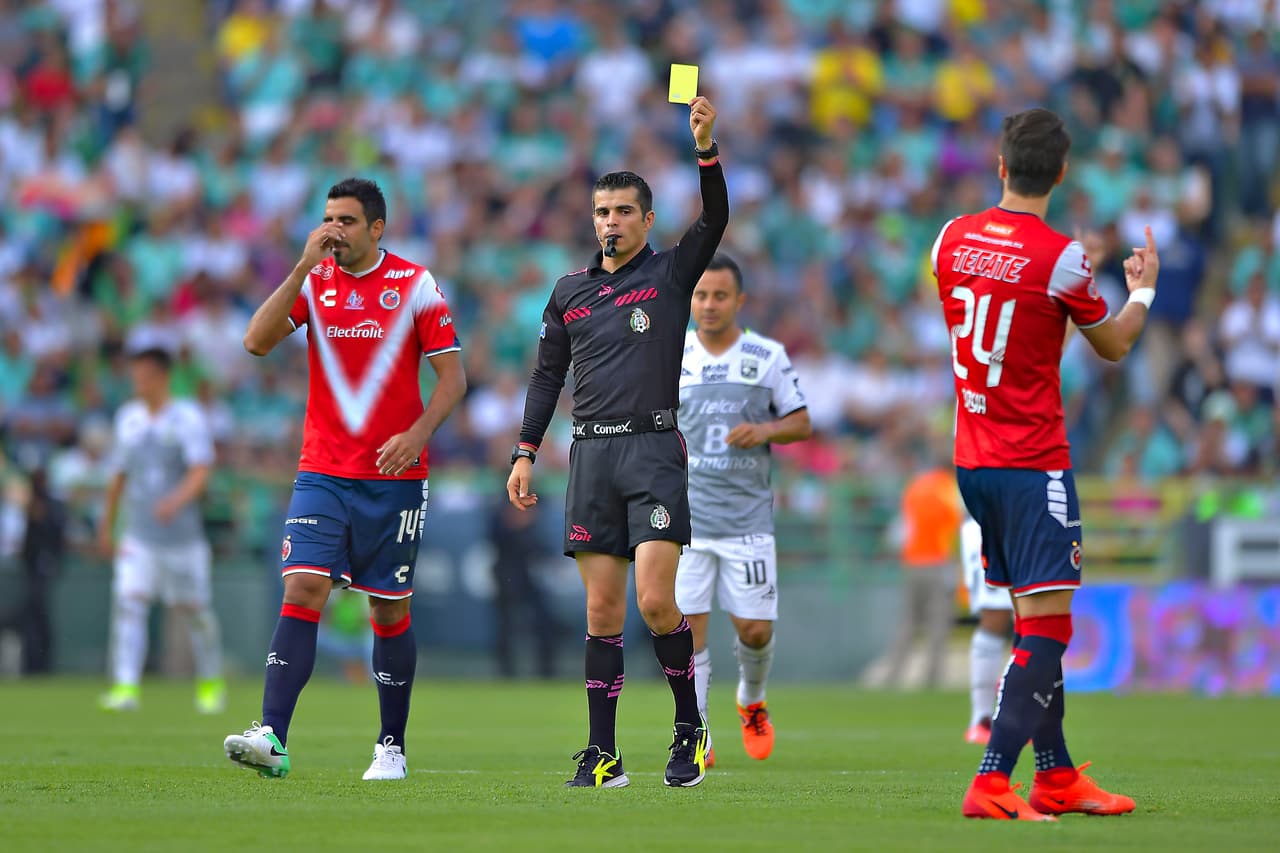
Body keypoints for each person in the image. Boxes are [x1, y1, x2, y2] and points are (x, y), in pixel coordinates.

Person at [933, 108, 1156, 820]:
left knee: (1033, 620)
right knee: (1051, 628)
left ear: (1000, 166)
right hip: (1033, 461)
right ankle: (993, 776)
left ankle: (1055, 776)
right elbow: (1114, 345)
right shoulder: (1061, 256)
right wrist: (1143, 287)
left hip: (974, 458)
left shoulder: (950, 239)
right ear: (1061, 172)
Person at [506, 96, 727, 789]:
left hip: (654, 451)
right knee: (602, 611)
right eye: (603, 211)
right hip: (591, 455)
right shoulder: (569, 291)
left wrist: (705, 148)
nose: (611, 221)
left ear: (647, 219)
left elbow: (715, 218)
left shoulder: (668, 274)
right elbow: (547, 376)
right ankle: (604, 755)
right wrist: (524, 449)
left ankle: (688, 729)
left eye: (624, 211)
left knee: (658, 603)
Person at [222, 178, 466, 781]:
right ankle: (273, 736)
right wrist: (302, 265)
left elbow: (454, 380)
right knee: (303, 587)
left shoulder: (415, 285)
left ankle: (391, 746)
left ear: (377, 228)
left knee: (387, 611)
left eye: (348, 221)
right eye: (328, 218)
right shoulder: (316, 281)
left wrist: (417, 435)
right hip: (322, 470)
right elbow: (255, 341)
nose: (335, 230)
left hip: (395, 476)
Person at [675, 253, 810, 766]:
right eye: (701, 295)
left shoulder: (765, 355)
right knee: (688, 632)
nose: (708, 305)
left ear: (739, 301)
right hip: (687, 520)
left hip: (747, 520)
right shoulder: (673, 355)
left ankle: (751, 700)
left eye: (719, 296)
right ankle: (697, 728)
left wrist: (767, 429)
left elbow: (801, 422)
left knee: (755, 630)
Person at [97, 347, 224, 713]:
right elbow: (118, 475)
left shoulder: (187, 418)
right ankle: (125, 686)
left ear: (163, 377)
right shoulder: (128, 419)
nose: (138, 381)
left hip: (183, 539)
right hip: (140, 535)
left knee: (196, 611)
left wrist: (175, 501)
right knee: (130, 602)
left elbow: (201, 470)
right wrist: (108, 525)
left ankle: (210, 683)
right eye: (135, 374)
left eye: (145, 374)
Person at [885, 461, 962, 689]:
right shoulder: (947, 488)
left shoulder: (915, 487)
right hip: (937, 561)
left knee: (909, 622)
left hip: (911, 561)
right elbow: (957, 523)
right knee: (938, 622)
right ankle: (932, 678)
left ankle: (894, 675)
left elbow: (902, 526)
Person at [960, 516, 1013, 744]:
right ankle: (981, 719)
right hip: (990, 518)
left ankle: (1027, 716)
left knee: (1035, 616)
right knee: (995, 615)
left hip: (1030, 514)